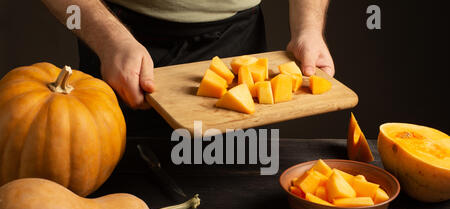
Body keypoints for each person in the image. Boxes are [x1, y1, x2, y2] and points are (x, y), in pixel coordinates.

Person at [42, 0, 334, 136]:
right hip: (118, 38)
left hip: (240, 43)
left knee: (232, 186)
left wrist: (309, 28)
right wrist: (109, 40)